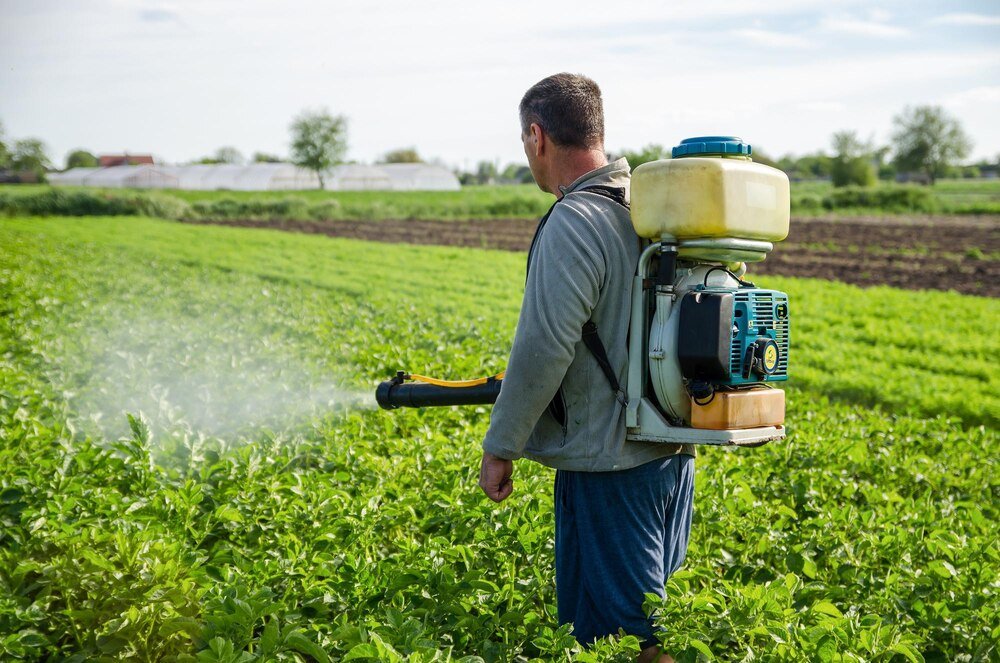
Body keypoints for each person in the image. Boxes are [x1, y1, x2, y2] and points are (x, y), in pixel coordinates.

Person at [478, 73, 696, 662]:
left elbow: (545, 347)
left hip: (608, 465)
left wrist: (501, 444)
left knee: (634, 639)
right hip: (669, 452)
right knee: (632, 625)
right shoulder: (649, 209)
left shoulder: (577, 220)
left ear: (536, 135)